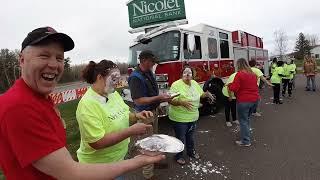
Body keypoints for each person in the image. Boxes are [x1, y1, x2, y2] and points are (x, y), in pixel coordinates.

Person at [0, 27, 165, 180]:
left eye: (59, 58)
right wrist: (139, 160)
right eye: (44, 55)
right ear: (21, 60)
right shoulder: (19, 106)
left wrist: (135, 116)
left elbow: (121, 114)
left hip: (115, 160)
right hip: (99, 169)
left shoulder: (40, 97)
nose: (53, 64)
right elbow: (71, 171)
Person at [76, 60, 157, 180]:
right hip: (98, 168)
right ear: (99, 77)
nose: (117, 82)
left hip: (118, 160)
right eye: (114, 79)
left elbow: (124, 113)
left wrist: (137, 115)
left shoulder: (112, 94)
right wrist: (131, 131)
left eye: (118, 79)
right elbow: (97, 143)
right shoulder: (88, 105)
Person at [128, 50, 172, 180]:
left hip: (153, 111)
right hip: (144, 114)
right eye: (152, 62)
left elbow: (152, 93)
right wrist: (159, 97)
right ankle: (148, 175)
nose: (153, 64)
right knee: (147, 145)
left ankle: (154, 162)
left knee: (155, 141)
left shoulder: (149, 72)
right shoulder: (135, 77)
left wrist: (160, 101)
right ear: (144, 61)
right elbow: (138, 100)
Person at [168, 66, 214, 165]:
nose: (188, 75)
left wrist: (206, 94)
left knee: (190, 136)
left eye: (190, 73)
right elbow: (170, 100)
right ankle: (178, 156)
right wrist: (181, 102)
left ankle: (191, 152)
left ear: (193, 75)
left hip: (193, 117)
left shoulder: (194, 83)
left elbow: (200, 94)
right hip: (179, 118)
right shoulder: (176, 85)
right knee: (180, 138)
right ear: (182, 74)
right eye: (185, 72)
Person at [229, 58, 260, 147]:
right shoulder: (253, 74)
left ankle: (246, 141)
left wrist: (230, 85)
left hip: (244, 101)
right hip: (255, 100)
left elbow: (234, 88)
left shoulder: (239, 74)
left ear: (239, 65)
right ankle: (247, 135)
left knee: (243, 121)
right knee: (247, 119)